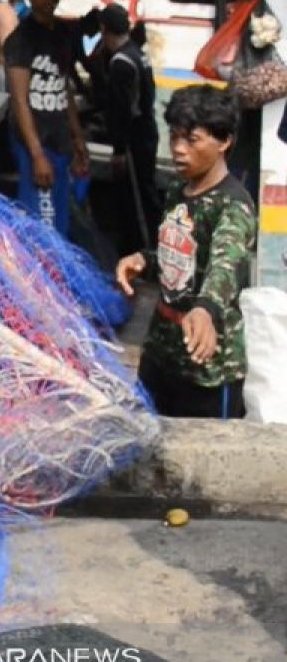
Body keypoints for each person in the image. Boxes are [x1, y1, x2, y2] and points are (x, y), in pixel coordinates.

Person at [116, 86, 256, 419]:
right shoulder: (180, 190)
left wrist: (205, 309)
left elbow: (224, 265)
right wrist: (144, 261)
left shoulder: (234, 206)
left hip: (207, 368)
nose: (179, 150)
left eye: (192, 140)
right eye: (174, 138)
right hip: (161, 354)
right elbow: (176, 250)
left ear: (224, 142)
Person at [4, 0, 89, 236]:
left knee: (60, 219)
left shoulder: (62, 33)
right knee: (39, 222)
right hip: (34, 143)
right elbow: (19, 100)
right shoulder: (20, 39)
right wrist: (36, 154)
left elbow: (64, 88)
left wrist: (78, 139)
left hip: (60, 139)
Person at [99, 3, 160, 252]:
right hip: (147, 131)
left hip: (134, 139)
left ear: (104, 29)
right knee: (146, 191)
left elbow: (122, 111)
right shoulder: (137, 53)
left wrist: (119, 149)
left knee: (136, 198)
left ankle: (142, 249)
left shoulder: (121, 62)